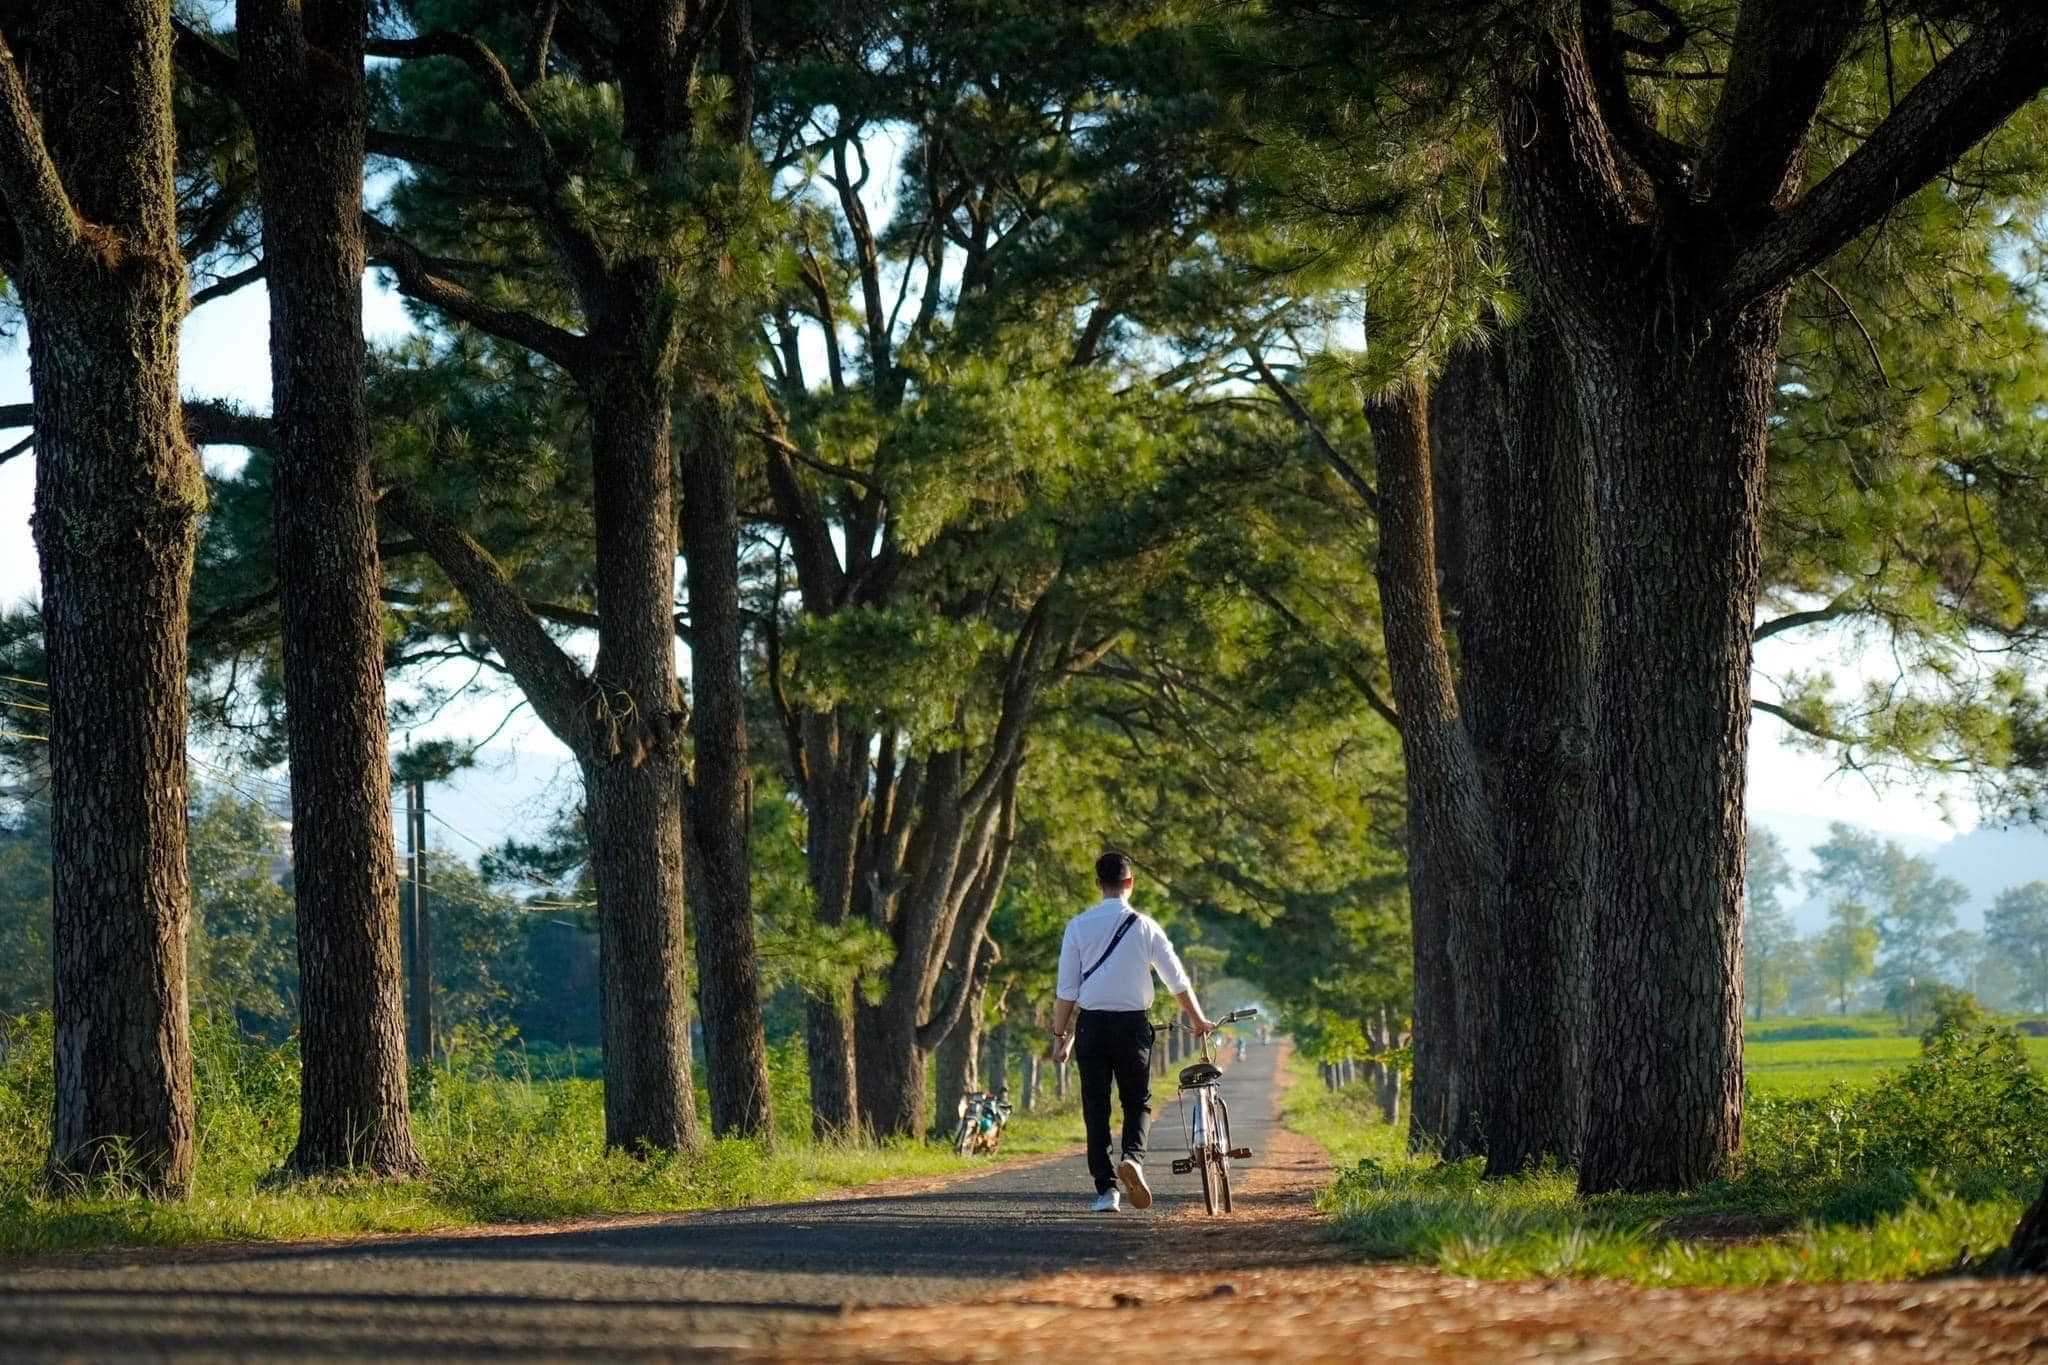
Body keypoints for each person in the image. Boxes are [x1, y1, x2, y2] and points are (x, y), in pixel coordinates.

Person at [1047, 849, 1213, 1213]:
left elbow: (1066, 991)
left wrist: (1060, 1036)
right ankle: (1133, 1159)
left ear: (1098, 884)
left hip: (1091, 1026)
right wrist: (1198, 1021)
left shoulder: (1077, 927)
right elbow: (1176, 981)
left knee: (1096, 1106)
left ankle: (1107, 1190)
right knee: (1137, 1101)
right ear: (1130, 883)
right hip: (1133, 1025)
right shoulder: (1146, 927)